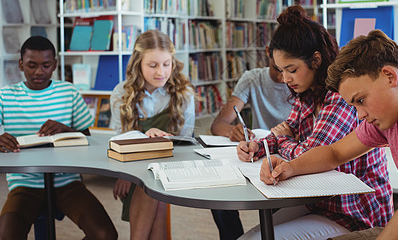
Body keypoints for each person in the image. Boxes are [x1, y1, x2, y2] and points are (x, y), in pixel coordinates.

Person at [260, 29, 398, 240]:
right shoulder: (388, 122)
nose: (360, 115)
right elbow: (335, 153)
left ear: (389, 76)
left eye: (360, 100)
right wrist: (291, 167)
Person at [237, 6, 393, 239]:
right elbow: (286, 135)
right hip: (319, 201)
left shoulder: (341, 96)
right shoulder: (307, 93)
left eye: (291, 70)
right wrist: (258, 146)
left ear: (316, 60)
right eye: (280, 70)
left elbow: (311, 153)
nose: (285, 79)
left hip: (354, 212)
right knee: (253, 236)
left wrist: (283, 140)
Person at [0, 36, 117, 240]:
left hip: (67, 181)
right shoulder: (5, 95)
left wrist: (68, 130)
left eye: (46, 65)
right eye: (32, 65)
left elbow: (89, 139)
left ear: (54, 64)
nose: (39, 71)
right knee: (6, 235)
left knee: (105, 234)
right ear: (21, 64)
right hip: (24, 183)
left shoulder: (68, 92)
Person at [110, 30, 195, 239]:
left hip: (171, 166)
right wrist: (125, 173)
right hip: (131, 167)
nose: (161, 72)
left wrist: (163, 142)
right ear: (138, 63)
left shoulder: (183, 94)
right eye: (153, 65)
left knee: (151, 183)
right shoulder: (121, 92)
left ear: (173, 63)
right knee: (149, 186)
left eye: (167, 64)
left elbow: (187, 142)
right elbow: (118, 137)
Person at [210, 47, 292, 239]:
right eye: (276, 68)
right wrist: (233, 131)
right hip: (256, 154)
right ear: (268, 54)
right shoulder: (253, 79)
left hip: (287, 158)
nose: (283, 77)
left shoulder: (298, 81)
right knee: (219, 195)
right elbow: (218, 125)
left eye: (287, 69)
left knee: (276, 213)